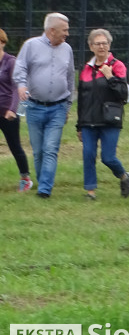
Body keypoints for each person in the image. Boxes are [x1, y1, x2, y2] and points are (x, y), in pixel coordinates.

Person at [13, 13, 74, 198]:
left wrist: (68, 105)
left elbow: (70, 77)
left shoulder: (67, 49)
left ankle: (44, 189)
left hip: (58, 107)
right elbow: (20, 67)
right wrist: (22, 85)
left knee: (50, 149)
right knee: (38, 151)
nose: (67, 34)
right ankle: (43, 182)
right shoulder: (31, 46)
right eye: (64, 30)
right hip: (34, 107)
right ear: (51, 30)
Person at [76, 29, 129, 200]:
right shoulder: (85, 69)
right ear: (91, 46)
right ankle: (90, 191)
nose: (101, 46)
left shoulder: (117, 66)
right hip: (88, 120)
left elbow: (123, 94)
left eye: (105, 43)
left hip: (110, 119)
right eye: (97, 43)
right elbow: (82, 99)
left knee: (108, 158)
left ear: (109, 45)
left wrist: (110, 77)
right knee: (88, 155)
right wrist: (79, 125)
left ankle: (124, 176)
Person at [0, 28, 33, 192]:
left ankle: (25, 178)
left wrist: (13, 110)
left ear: (2, 42)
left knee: (14, 146)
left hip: (8, 114)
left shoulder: (10, 62)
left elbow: (17, 89)